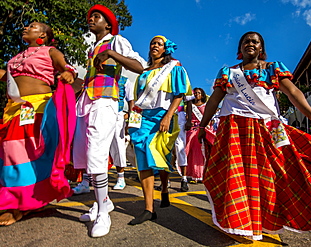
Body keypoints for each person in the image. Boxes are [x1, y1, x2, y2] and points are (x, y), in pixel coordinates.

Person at [198, 31, 311, 240]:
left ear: (261, 48)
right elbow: (214, 101)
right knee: (235, 175)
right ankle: (239, 221)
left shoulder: (272, 68)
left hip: (268, 127)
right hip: (233, 127)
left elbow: (293, 93)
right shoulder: (228, 72)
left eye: (255, 41)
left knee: (272, 174)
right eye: (246, 41)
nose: (250, 44)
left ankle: (266, 220)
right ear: (240, 48)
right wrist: (202, 125)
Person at [72, 4, 144, 237]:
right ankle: (101, 202)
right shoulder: (93, 47)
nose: (91, 19)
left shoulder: (116, 41)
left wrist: (112, 54)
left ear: (108, 23)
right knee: (84, 154)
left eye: (96, 16)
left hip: (106, 100)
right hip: (87, 100)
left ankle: (104, 212)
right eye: (90, 17)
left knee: (96, 154)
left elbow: (139, 66)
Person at [0, 22, 76, 225]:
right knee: (13, 154)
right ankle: (32, 199)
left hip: (38, 107)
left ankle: (18, 206)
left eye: (32, 26)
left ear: (42, 34)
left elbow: (65, 66)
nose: (25, 27)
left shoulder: (50, 51)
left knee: (24, 155)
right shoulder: (16, 58)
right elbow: (7, 78)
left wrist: (68, 73)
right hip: (14, 109)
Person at [128, 35, 192, 225]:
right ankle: (149, 208)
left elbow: (179, 94)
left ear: (166, 49)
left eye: (159, 44)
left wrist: (168, 116)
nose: (155, 45)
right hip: (143, 117)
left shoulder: (174, 67)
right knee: (142, 158)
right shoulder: (144, 72)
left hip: (163, 115)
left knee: (158, 153)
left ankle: (164, 187)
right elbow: (137, 99)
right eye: (152, 43)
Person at [185, 87, 215, 183]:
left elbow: (211, 118)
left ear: (202, 95)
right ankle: (193, 174)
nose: (197, 94)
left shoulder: (206, 106)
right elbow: (186, 117)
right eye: (195, 93)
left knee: (204, 152)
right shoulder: (190, 106)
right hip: (193, 130)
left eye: (199, 93)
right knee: (192, 151)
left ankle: (203, 174)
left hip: (204, 129)